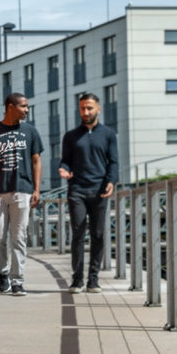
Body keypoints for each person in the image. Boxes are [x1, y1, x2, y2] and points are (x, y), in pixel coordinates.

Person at [0, 93, 43, 296]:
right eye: (23, 106)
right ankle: (2, 272)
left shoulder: (30, 131)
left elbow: (36, 161)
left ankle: (17, 281)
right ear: (10, 107)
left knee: (19, 237)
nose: (27, 110)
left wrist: (36, 189)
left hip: (22, 191)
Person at [58, 93, 119, 294]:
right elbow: (65, 160)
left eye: (89, 108)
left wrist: (111, 181)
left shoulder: (108, 134)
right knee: (78, 232)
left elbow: (113, 162)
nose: (86, 112)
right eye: (82, 108)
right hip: (77, 190)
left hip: (99, 191)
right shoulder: (70, 136)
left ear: (98, 109)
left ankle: (93, 280)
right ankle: (77, 280)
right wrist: (64, 169)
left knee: (98, 234)